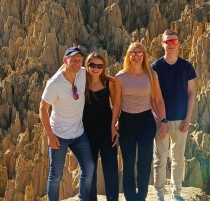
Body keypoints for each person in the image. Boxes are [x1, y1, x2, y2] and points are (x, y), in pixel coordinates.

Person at [111, 42, 168, 201]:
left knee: (144, 162)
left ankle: (141, 197)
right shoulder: (120, 77)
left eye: (139, 53)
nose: (136, 55)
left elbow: (159, 99)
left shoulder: (151, 75)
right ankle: (130, 198)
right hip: (126, 121)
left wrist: (163, 122)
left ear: (144, 55)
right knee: (128, 163)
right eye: (132, 53)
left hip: (145, 121)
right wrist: (113, 125)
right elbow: (116, 103)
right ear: (128, 56)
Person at [39, 47, 94, 201]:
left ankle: (83, 199)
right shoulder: (54, 83)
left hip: (78, 134)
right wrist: (50, 135)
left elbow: (99, 75)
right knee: (56, 175)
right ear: (65, 60)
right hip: (59, 135)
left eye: (79, 60)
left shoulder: (83, 73)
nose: (76, 63)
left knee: (89, 168)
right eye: (73, 60)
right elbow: (43, 109)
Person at [152, 29, 197, 201]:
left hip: (181, 120)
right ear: (162, 43)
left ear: (179, 44)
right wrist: (160, 119)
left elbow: (191, 92)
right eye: (168, 41)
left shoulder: (186, 66)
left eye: (174, 41)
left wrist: (188, 118)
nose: (171, 44)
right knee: (160, 160)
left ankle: (176, 194)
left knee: (178, 159)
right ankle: (160, 195)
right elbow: (152, 97)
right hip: (162, 121)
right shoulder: (155, 67)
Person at [82, 52, 119, 201]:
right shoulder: (81, 82)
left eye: (99, 66)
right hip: (86, 133)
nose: (95, 68)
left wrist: (114, 126)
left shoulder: (110, 82)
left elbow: (116, 104)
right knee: (90, 171)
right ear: (87, 66)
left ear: (104, 67)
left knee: (110, 170)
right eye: (92, 65)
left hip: (106, 132)